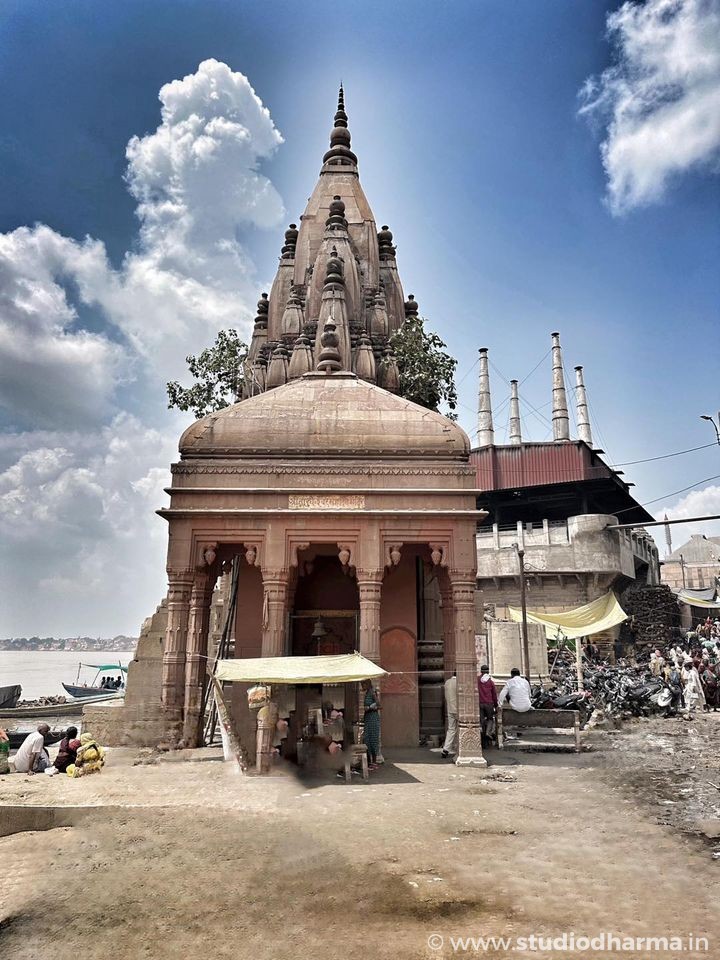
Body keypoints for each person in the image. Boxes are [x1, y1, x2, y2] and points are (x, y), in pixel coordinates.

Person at [361, 679, 381, 769]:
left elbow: (379, 705)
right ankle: (369, 761)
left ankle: (374, 761)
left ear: (367, 684)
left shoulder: (372, 692)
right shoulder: (367, 693)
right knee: (367, 739)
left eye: (363, 684)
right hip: (368, 718)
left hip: (373, 718)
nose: (362, 687)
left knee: (373, 739)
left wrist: (369, 707)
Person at [477, 665, 498, 745]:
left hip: (480, 703)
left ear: (481, 671)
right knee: (490, 719)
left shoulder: (477, 680)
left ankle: (482, 732)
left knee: (481, 720)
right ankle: (488, 732)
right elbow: (494, 695)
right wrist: (496, 705)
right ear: (488, 672)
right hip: (489, 704)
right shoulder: (490, 682)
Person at [441, 672, 458, 759]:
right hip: (459, 709)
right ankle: (458, 748)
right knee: (461, 729)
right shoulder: (459, 682)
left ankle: (445, 749)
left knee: (451, 729)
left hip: (450, 708)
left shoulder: (447, 682)